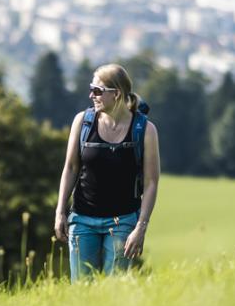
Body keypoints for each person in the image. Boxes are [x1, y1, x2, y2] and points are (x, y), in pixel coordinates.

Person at [54, 63, 161, 281]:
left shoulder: (145, 130)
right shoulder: (82, 122)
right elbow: (71, 168)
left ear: (117, 94)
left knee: (115, 291)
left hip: (123, 222)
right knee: (82, 291)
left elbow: (151, 182)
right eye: (91, 88)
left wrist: (141, 228)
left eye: (98, 90)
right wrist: (60, 211)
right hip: (82, 219)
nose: (91, 95)